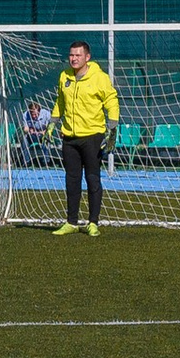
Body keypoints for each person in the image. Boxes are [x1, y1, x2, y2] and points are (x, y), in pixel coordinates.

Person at [52, 39, 119, 235]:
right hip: (69, 138)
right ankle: (71, 222)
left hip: (92, 137)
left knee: (92, 179)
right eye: (71, 55)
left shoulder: (100, 77)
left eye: (78, 55)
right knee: (71, 180)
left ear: (87, 57)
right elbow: (60, 102)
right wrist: (52, 123)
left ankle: (93, 222)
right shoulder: (64, 76)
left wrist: (112, 127)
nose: (73, 58)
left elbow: (111, 100)